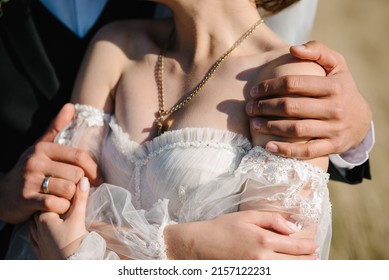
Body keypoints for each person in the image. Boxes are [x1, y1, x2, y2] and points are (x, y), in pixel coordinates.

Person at [0, 0, 372, 259]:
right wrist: (178, 246)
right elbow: (51, 227)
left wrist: (87, 247)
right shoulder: (116, 46)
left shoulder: (287, 77)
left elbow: (274, 265)